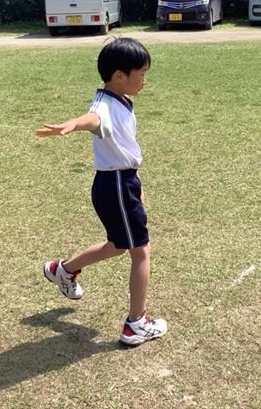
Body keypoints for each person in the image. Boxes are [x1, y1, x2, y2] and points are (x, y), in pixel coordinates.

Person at [35, 37, 167, 347]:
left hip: (121, 183)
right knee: (141, 252)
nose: (145, 80)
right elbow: (93, 119)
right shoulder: (103, 106)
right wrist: (73, 124)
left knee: (119, 245)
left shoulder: (119, 100)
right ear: (120, 76)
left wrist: (136, 184)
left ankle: (62, 270)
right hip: (116, 185)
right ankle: (136, 323)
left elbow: (123, 147)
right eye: (141, 74)